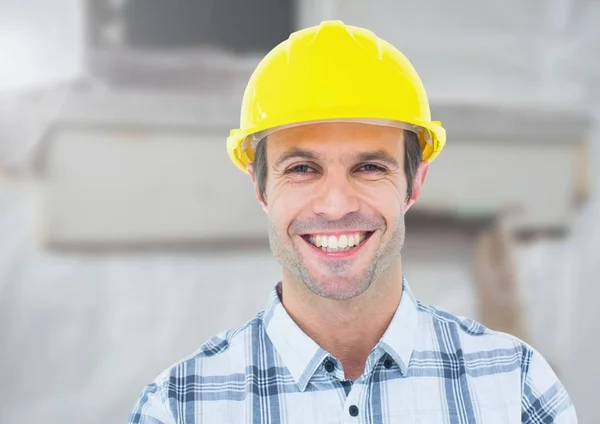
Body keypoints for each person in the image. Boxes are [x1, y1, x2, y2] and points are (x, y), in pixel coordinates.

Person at [128, 20, 576, 423]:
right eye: (302, 169)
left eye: (369, 167)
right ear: (260, 187)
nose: (337, 205)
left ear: (414, 183)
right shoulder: (180, 407)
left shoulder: (517, 389)